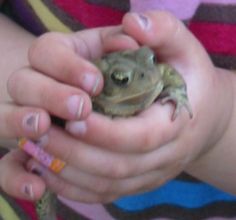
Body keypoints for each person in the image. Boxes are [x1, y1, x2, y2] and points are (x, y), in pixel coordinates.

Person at [0, 0, 236, 219]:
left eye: (152, 62)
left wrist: (218, 124)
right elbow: (37, 130)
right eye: (122, 78)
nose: (150, 74)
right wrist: (35, 109)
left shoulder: (153, 74)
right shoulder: (90, 99)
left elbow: (164, 73)